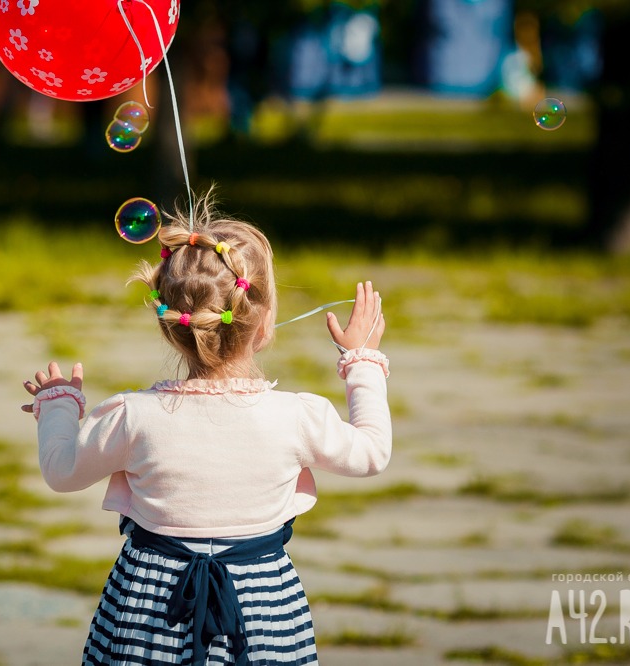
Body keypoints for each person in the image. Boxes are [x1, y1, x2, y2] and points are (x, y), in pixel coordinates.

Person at [21, 189, 392, 665]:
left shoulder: (132, 416)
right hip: (263, 614)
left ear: (170, 325)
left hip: (147, 613)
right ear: (265, 324)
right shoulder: (296, 416)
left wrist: (58, 407)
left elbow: (61, 470)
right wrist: (361, 362)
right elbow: (372, 453)